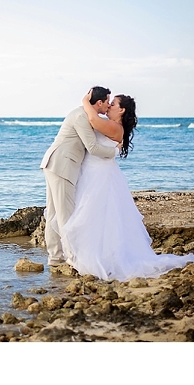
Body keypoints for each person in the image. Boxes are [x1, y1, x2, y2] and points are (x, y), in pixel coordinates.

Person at [60, 90, 194, 281]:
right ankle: (82, 254)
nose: (109, 106)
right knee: (93, 215)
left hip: (99, 175)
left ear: (122, 110)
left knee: (95, 215)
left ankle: (97, 258)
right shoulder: (111, 125)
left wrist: (85, 100)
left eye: (113, 104)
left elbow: (92, 120)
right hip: (91, 172)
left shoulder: (115, 128)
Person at [40, 87, 117, 267]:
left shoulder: (83, 113)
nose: (108, 105)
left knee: (54, 213)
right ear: (99, 103)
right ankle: (72, 258)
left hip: (55, 164)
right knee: (65, 215)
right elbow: (92, 148)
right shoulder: (81, 116)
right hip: (61, 166)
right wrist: (115, 151)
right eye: (107, 101)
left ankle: (55, 258)